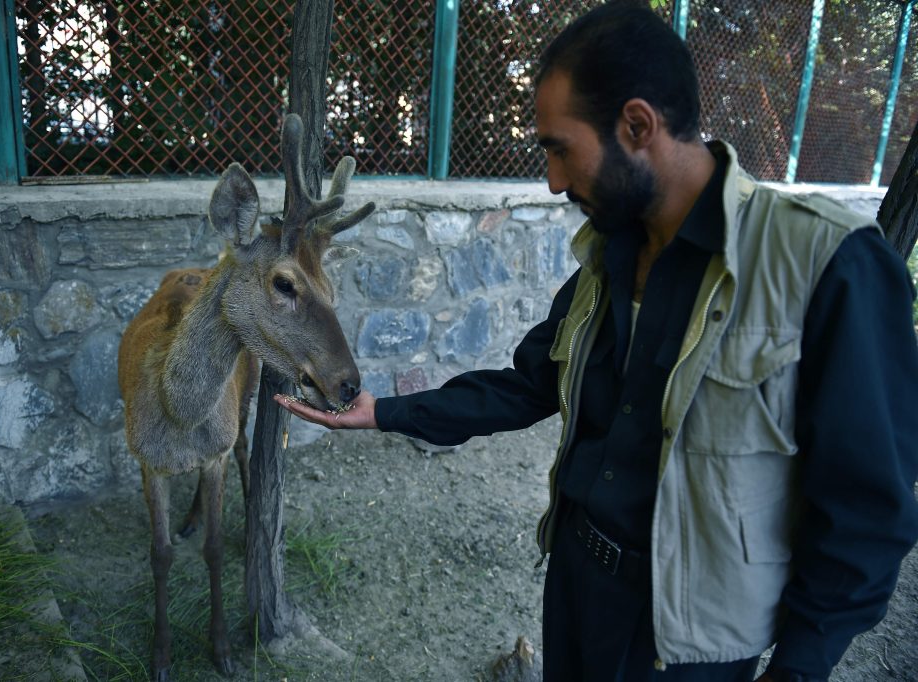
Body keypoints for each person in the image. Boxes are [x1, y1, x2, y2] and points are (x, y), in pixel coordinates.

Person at [276, 2, 918, 680]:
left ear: (638, 126)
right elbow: (531, 382)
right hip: (577, 588)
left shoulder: (825, 262)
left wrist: (800, 667)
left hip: (688, 646)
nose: (553, 181)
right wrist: (384, 412)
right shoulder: (611, 251)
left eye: (560, 148)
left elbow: (867, 509)